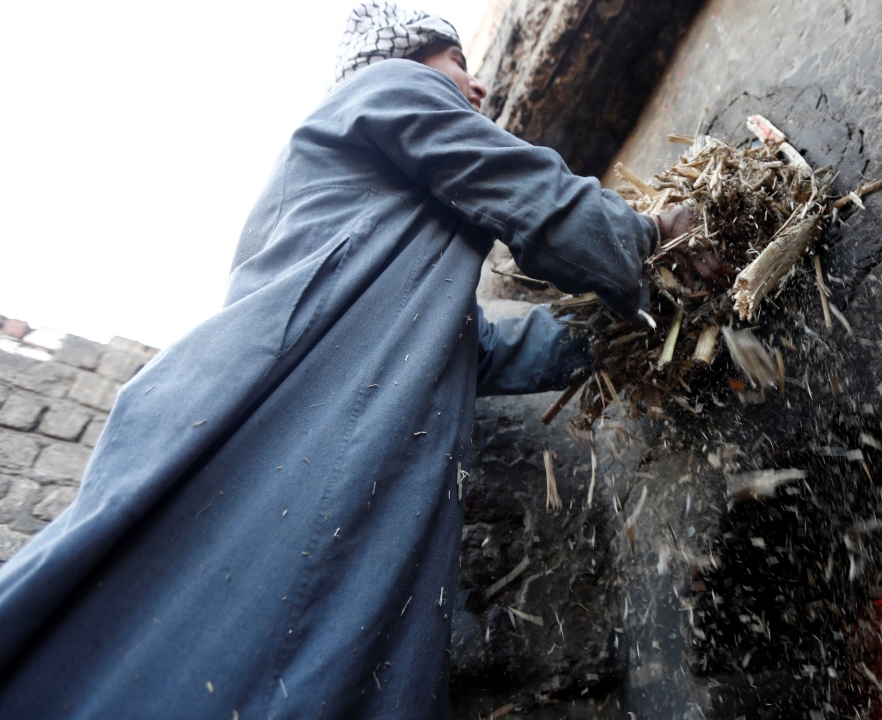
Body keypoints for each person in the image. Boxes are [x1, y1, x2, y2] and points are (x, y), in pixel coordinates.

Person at [0, 2, 719, 717]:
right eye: (457, 63)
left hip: (295, 434)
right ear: (404, 55)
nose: (478, 88)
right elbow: (512, 182)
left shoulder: (378, 249)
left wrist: (614, 338)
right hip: (274, 426)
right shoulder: (383, 89)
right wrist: (651, 241)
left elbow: (475, 348)